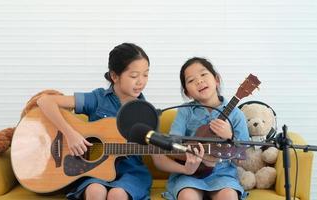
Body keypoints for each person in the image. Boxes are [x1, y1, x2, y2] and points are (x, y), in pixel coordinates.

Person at [37, 43, 152, 200]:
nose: (141, 82)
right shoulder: (97, 99)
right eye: (134, 76)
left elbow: (158, 154)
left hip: (131, 173)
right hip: (94, 170)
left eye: (145, 75)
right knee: (95, 191)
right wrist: (70, 134)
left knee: (117, 195)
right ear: (115, 76)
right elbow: (45, 101)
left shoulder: (146, 111)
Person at [152, 57, 249, 200]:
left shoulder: (236, 114)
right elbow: (172, 146)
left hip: (223, 174)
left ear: (216, 79)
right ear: (187, 92)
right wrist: (193, 157)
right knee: (187, 196)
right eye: (191, 80)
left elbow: (242, 160)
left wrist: (230, 137)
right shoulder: (185, 111)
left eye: (203, 75)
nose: (199, 81)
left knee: (228, 196)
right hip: (190, 173)